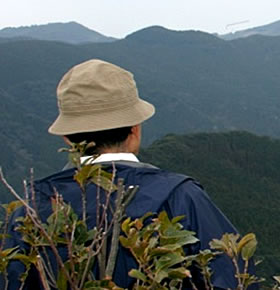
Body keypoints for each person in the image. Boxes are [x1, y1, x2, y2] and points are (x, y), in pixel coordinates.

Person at [2, 59, 244, 288]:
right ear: (135, 129)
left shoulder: (29, 212)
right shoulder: (180, 197)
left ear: (67, 137)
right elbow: (234, 276)